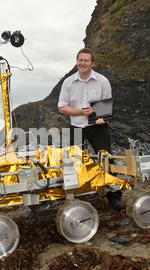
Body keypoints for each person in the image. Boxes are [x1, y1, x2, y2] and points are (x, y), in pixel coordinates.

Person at [58, 48, 124, 212]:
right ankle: (74, 196)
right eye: (80, 60)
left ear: (93, 63)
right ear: (77, 61)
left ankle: (114, 196)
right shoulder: (68, 82)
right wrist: (80, 112)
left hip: (97, 127)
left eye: (86, 60)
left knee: (106, 161)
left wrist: (103, 118)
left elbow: (107, 108)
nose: (83, 63)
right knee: (72, 164)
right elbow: (62, 107)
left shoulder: (103, 81)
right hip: (77, 126)